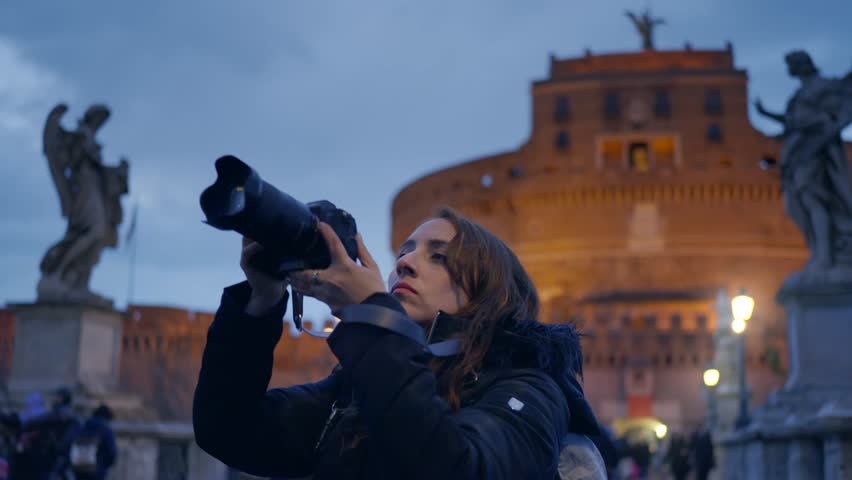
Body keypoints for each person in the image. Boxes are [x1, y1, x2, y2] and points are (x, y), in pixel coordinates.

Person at [194, 208, 603, 479]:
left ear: (489, 293)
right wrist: (261, 302)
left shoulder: (529, 391)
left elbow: (454, 467)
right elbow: (228, 429)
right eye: (404, 252)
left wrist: (371, 317)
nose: (404, 262)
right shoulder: (352, 392)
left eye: (438, 257)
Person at [9, 387, 80, 480]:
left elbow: (41, 420)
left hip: (56, 451)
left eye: (57, 396)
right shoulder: (67, 412)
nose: (54, 399)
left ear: (62, 398)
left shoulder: (62, 412)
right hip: (60, 451)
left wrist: (26, 423)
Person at [68, 404, 118, 480]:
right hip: (97, 471)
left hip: (78, 469)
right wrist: (103, 466)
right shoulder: (106, 430)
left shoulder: (81, 427)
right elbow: (112, 453)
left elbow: (69, 445)